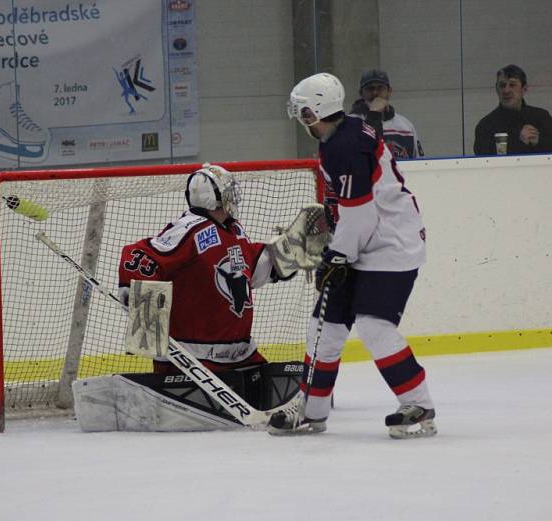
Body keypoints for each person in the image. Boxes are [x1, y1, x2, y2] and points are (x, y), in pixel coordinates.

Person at [273, 72, 436, 438]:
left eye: (303, 111)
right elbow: (352, 210)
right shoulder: (340, 134)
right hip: (363, 241)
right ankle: (312, 410)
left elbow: (361, 213)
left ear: (315, 112)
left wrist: (337, 257)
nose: (300, 118)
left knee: (374, 325)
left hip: (390, 245)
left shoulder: (342, 145)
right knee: (324, 327)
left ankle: (419, 402)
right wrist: (339, 247)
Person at [118, 163, 296, 375]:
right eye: (228, 192)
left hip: (240, 354)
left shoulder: (234, 229)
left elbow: (248, 270)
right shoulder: (190, 229)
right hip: (193, 359)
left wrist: (287, 255)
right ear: (211, 197)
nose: (233, 198)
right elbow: (140, 255)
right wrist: (145, 313)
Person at [474, 64, 552, 155]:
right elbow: (483, 161)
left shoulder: (541, 117)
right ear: (496, 89)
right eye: (502, 85)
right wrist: (519, 143)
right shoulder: (486, 125)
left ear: (524, 89)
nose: (506, 91)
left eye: (512, 85)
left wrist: (538, 141)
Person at [349, 68, 424, 160]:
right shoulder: (349, 124)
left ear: (389, 91)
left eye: (380, 88)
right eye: (370, 88)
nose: (375, 93)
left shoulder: (406, 126)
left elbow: (418, 163)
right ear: (361, 93)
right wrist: (374, 114)